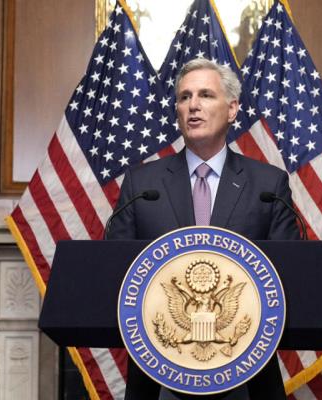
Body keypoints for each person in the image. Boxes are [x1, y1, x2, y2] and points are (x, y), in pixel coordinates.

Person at [107, 58, 300, 400]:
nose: (193, 105)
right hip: (158, 377)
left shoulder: (268, 184)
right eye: (184, 97)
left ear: (232, 109)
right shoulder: (142, 183)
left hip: (247, 377)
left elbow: (288, 279)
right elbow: (116, 275)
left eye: (206, 95)